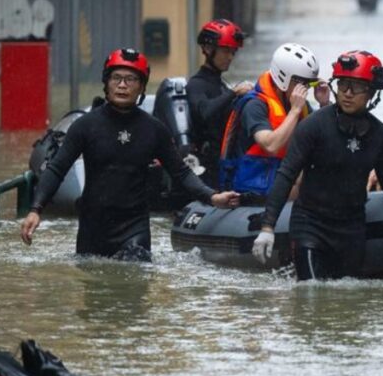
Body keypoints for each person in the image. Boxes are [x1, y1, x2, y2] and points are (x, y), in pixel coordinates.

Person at [251, 50, 383, 280]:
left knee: (347, 294)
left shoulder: (378, 134)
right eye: (343, 85)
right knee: (310, 293)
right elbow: (286, 174)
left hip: (351, 229)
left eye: (357, 87)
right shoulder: (313, 126)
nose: (348, 93)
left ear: (371, 92)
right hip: (311, 225)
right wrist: (268, 227)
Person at [20, 48, 240, 261]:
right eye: (116, 78)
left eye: (131, 79)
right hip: (92, 229)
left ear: (142, 86)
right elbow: (57, 169)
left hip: (134, 228)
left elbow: (181, 172)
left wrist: (212, 197)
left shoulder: (154, 129)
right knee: (93, 281)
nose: (122, 85)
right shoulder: (85, 126)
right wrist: (35, 210)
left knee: (134, 276)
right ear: (106, 83)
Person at [219, 42, 331, 197]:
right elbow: (271, 146)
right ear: (283, 78)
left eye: (309, 84)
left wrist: (324, 104)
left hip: (279, 180)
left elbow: (324, 139)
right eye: (302, 83)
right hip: (251, 189)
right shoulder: (255, 105)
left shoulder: (297, 104)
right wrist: (294, 111)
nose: (305, 89)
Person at [185, 18, 252, 188]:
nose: (230, 57)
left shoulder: (220, 85)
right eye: (225, 51)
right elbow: (204, 113)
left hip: (225, 166)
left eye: (233, 52)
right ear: (208, 49)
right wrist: (234, 92)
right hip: (205, 172)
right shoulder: (196, 84)